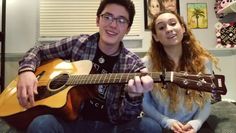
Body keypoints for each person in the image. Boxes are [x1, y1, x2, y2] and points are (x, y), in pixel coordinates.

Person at [16, 0, 161, 132]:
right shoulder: (79, 43)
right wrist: (26, 71)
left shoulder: (133, 64)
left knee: (151, 127)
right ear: (98, 20)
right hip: (71, 122)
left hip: (111, 127)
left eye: (121, 20)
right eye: (107, 17)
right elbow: (39, 51)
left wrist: (133, 95)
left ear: (128, 29)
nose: (113, 25)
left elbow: (126, 117)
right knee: (41, 124)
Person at [142, 10, 219, 133]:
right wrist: (166, 122)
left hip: (192, 126)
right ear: (155, 36)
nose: (168, 29)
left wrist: (196, 123)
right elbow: (145, 102)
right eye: (161, 27)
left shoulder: (203, 62)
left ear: (183, 28)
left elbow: (206, 102)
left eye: (173, 23)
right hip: (159, 126)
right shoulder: (146, 63)